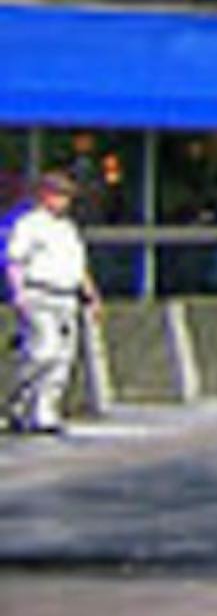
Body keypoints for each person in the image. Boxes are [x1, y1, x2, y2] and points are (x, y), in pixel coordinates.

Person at [7, 170, 102, 434]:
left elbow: (78, 265)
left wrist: (91, 294)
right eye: (60, 195)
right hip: (40, 293)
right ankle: (20, 404)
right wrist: (18, 294)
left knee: (62, 358)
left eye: (67, 196)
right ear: (45, 195)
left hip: (67, 296)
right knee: (42, 352)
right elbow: (14, 260)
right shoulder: (29, 224)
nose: (65, 201)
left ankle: (44, 412)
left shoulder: (67, 228)